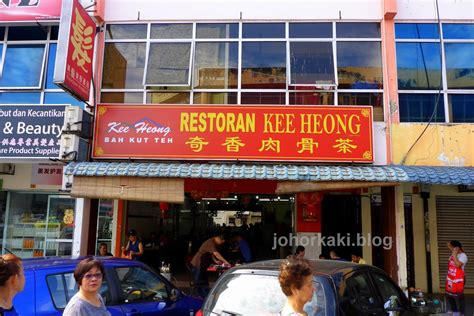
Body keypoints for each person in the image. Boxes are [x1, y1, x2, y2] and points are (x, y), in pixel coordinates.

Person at [445, 240, 468, 315]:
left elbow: (458, 265)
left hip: (459, 279)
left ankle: (461, 312)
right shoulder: (453, 253)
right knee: (449, 295)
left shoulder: (463, 256)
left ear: (457, 248)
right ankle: (454, 310)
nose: (451, 249)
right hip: (451, 278)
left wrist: (454, 255)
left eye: (451, 247)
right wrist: (453, 251)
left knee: (459, 296)